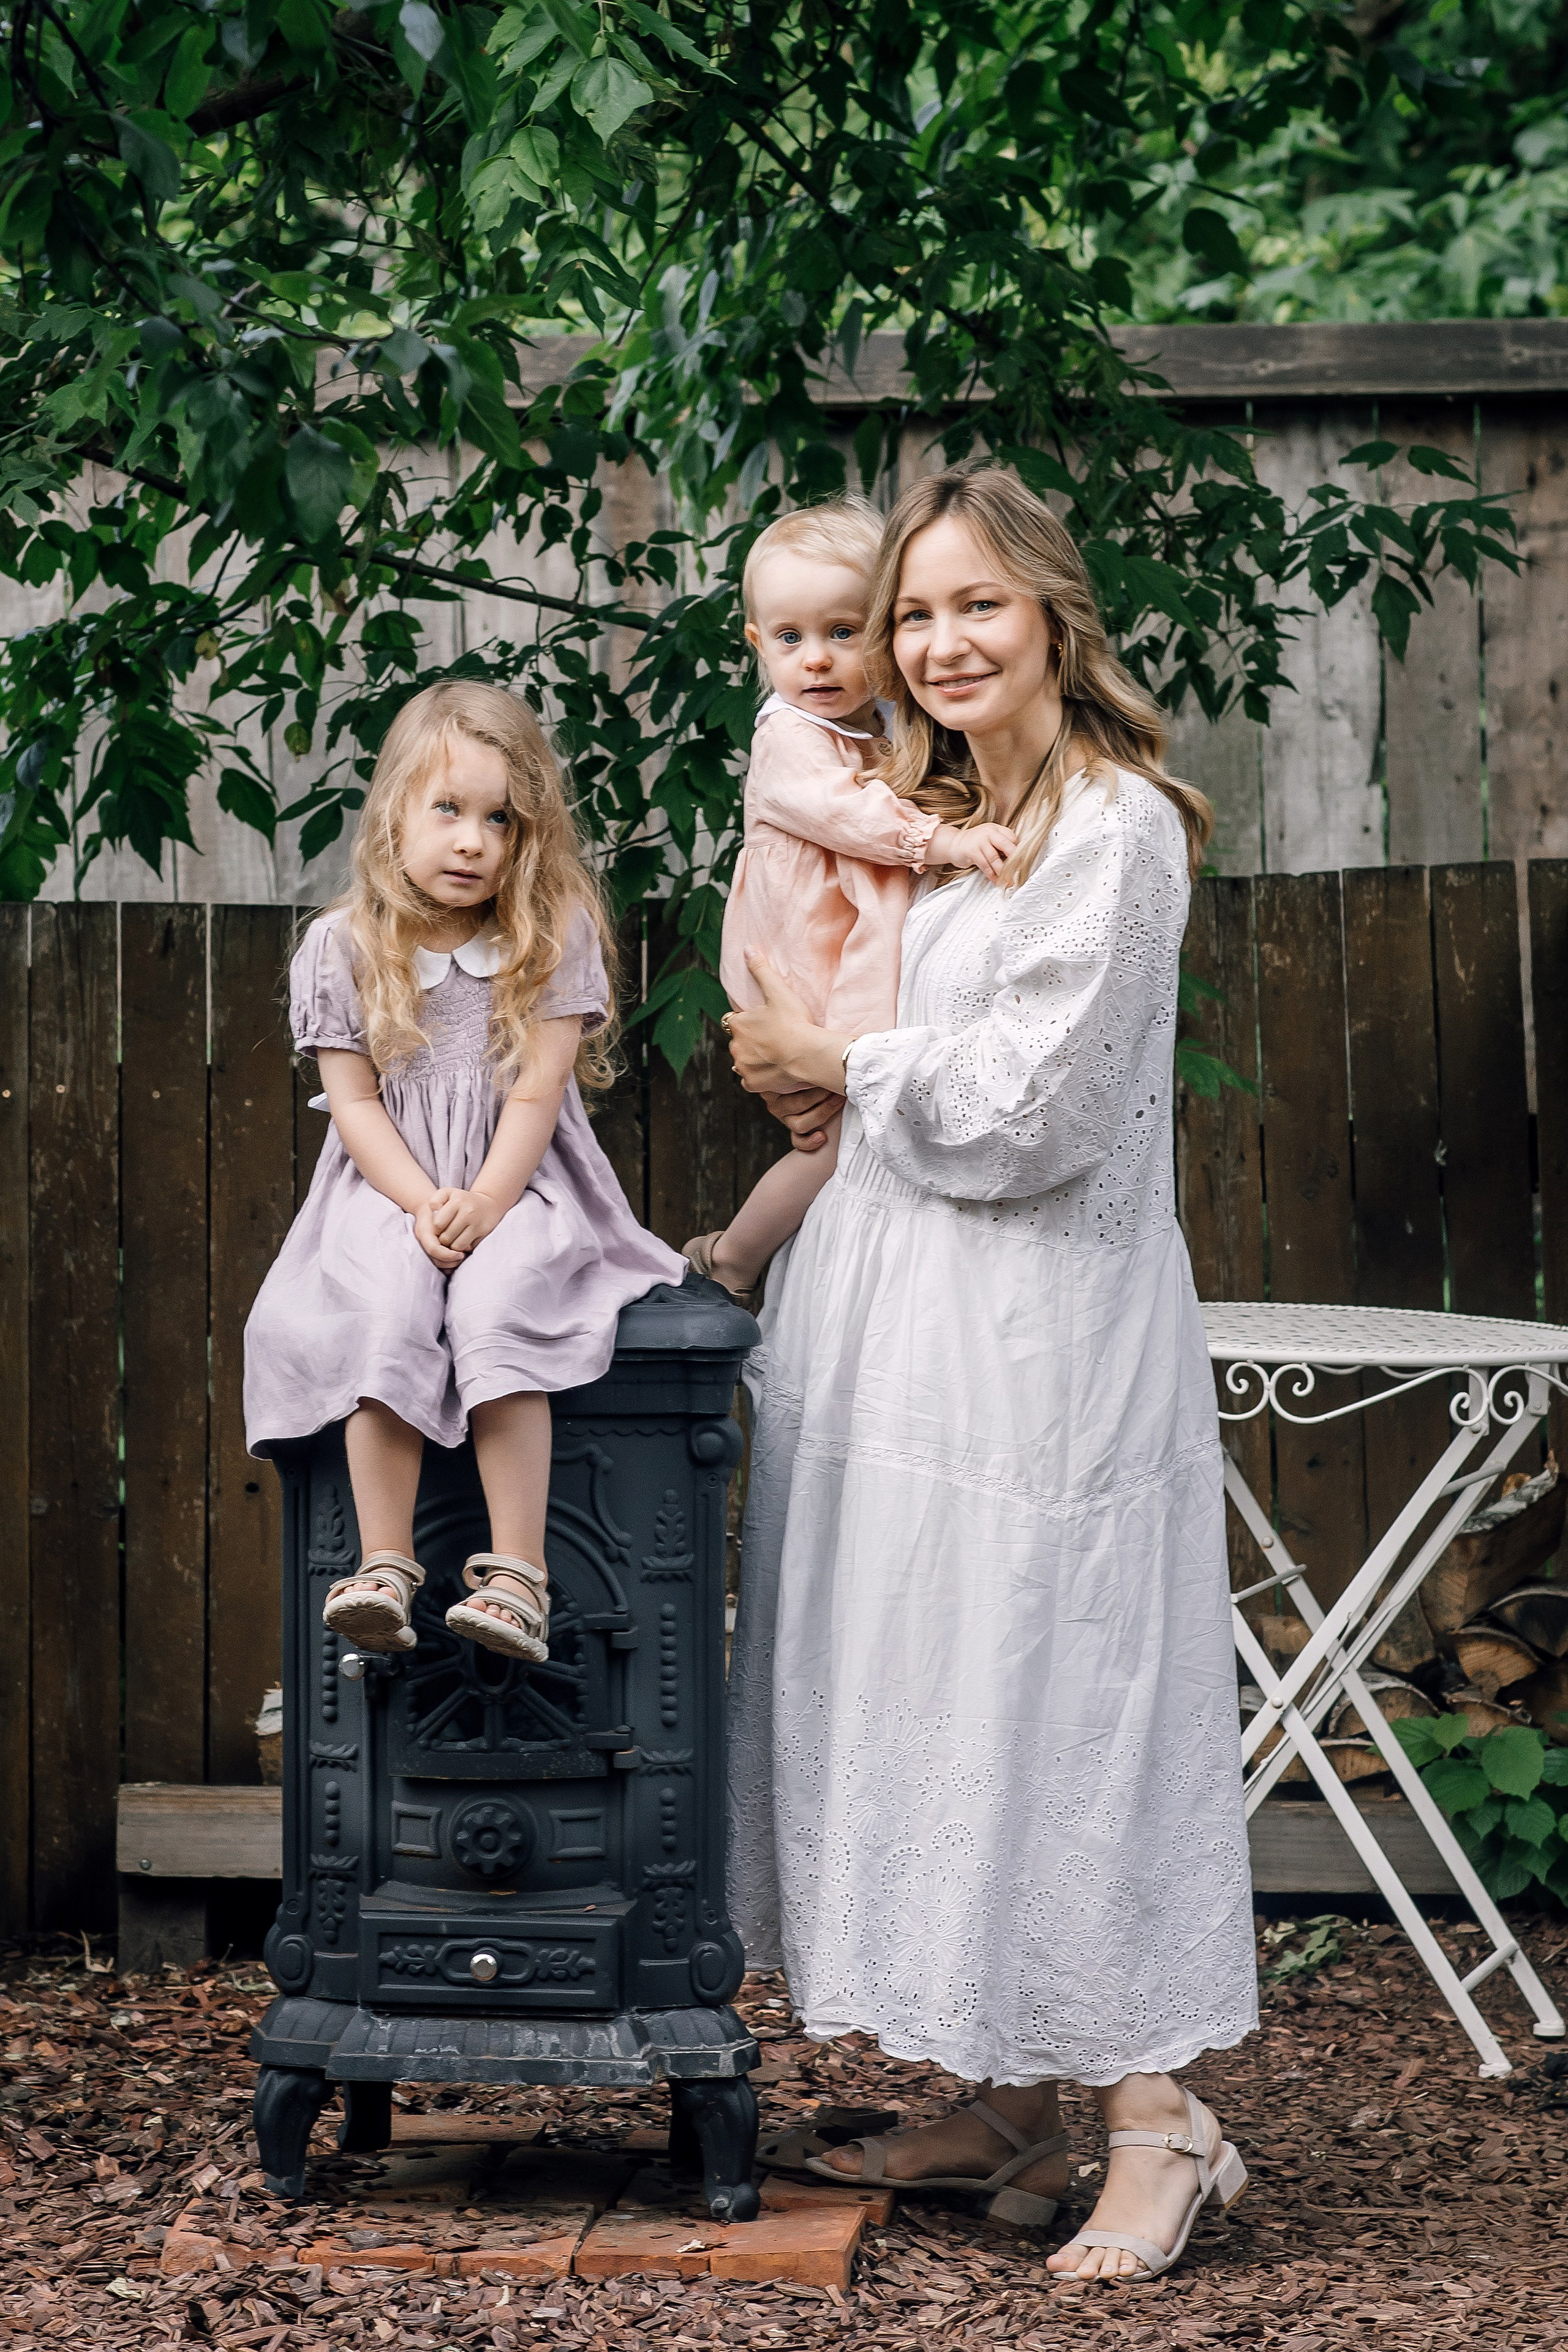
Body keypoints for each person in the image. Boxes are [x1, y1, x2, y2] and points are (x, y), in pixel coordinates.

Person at [723, 463, 1257, 2283]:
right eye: (914, 615)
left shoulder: (1114, 826)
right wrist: (806, 1047)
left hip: (1040, 1345)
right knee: (939, 1692)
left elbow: (1038, 1111)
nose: (942, 644)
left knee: (1063, 1695)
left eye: (977, 606)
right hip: (896, 1321)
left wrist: (825, 1058)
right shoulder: (934, 810)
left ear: (1051, 616)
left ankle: (1157, 2120)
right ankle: (1013, 2102)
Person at [243, 679, 685, 1662]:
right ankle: (385, 1566)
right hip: (388, 1184)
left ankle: (519, 1574)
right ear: (394, 810)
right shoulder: (343, 945)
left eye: (501, 819)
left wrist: (485, 1201)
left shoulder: (548, 933)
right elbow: (355, 1104)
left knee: (497, 1302)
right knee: (385, 1299)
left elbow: (536, 1097)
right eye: (448, 809)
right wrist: (422, 1203)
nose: (473, 841)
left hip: (521, 1181)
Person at [684, 498, 1017, 1298]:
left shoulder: (884, 727)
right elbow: (852, 815)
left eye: (843, 632)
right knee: (838, 1142)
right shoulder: (788, 738)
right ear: (757, 643)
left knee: (852, 1138)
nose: (818, 661)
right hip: (805, 973)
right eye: (790, 639)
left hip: (840, 962)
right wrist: (946, 843)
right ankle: (731, 1258)